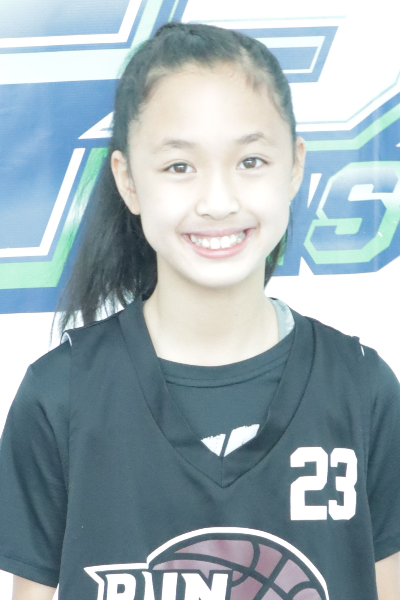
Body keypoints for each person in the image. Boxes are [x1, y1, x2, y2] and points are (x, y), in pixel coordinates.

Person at [0, 21, 399, 600]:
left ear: (294, 167)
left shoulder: (362, 390)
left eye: (251, 161)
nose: (218, 202)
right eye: (180, 166)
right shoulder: (59, 396)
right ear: (128, 180)